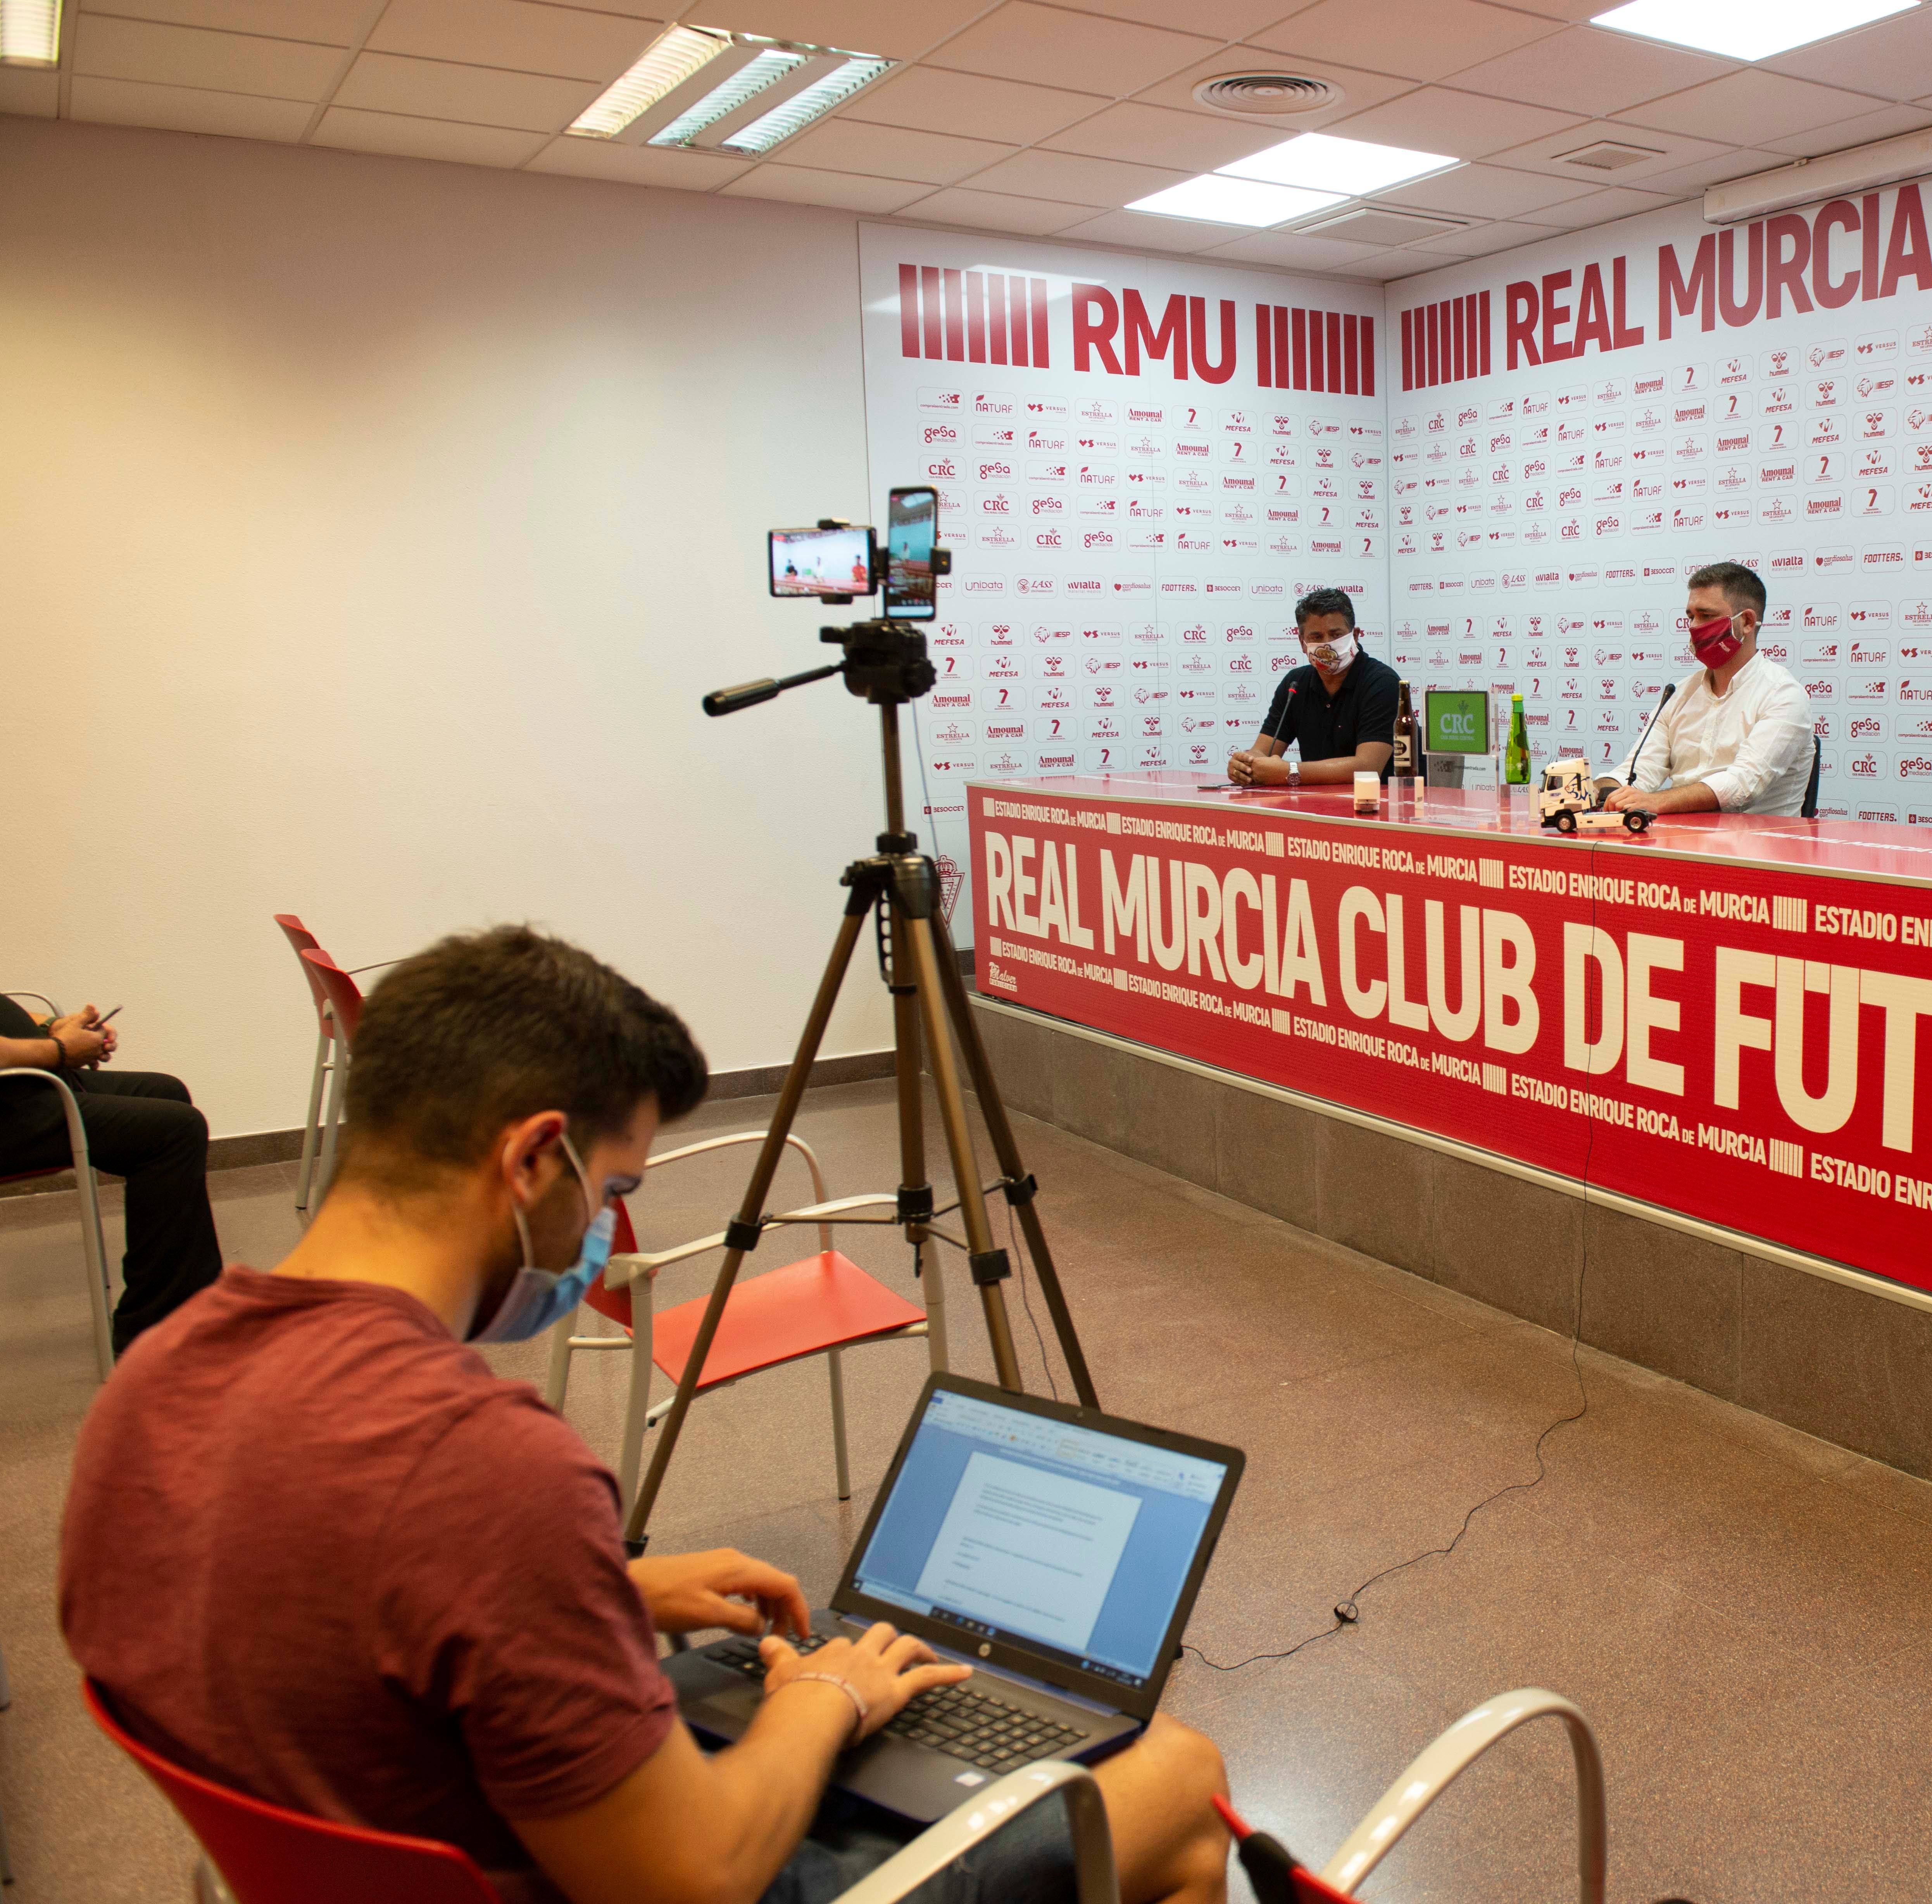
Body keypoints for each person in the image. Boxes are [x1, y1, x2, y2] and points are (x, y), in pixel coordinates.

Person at [60, 926, 1230, 1904]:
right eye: (612, 1192)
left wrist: (603, 1591)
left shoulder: (158, 1378)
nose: (601, 1235)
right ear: (531, 1158)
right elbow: (697, 1877)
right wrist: (826, 1695)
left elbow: (315, 1576)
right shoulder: (488, 1465)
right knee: (1174, 1773)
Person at [0, 993, 222, 1353]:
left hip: (23, 1088)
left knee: (166, 1092)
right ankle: (150, 1334)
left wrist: (52, 1027)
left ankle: (186, 1306)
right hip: (12, 1111)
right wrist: (58, 1050)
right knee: (176, 1130)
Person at [1596, 561, 1816, 819]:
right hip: (1678, 841)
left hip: (1759, 849)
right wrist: (1593, 791)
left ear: (1746, 622)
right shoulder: (1678, 694)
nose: (1694, 627)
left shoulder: (1784, 695)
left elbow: (1741, 787)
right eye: (1691, 616)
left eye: (1706, 616)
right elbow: (1637, 772)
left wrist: (1654, 802)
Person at [1227, 587, 1398, 786]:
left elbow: (1368, 767)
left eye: (1336, 635)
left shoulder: (1382, 683)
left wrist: (1289, 772)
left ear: (1356, 636)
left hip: (1380, 806)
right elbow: (1263, 751)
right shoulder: (1295, 683)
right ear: (1303, 643)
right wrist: (1245, 765)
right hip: (1315, 805)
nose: (1327, 645)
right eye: (1316, 637)